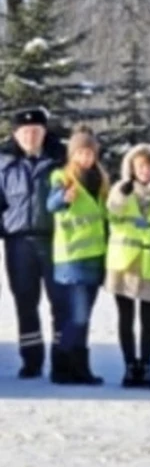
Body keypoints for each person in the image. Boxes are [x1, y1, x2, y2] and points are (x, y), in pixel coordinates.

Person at [0, 108, 68, 379]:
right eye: (25, 132)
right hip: (18, 243)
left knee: (60, 303)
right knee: (25, 303)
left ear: (44, 132)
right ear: (16, 134)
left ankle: (62, 360)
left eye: (36, 131)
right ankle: (31, 361)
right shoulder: (4, 164)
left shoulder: (60, 160)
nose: (30, 136)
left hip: (55, 240)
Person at [104, 143, 150, 389]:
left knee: (148, 320)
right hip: (123, 265)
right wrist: (121, 194)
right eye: (140, 167)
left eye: (149, 167)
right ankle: (128, 365)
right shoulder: (121, 191)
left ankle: (145, 365)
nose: (145, 171)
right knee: (125, 318)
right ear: (132, 169)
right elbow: (112, 213)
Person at [46, 124, 110, 385]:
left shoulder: (101, 182)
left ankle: (72, 368)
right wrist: (64, 197)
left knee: (81, 317)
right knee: (77, 316)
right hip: (71, 259)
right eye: (81, 153)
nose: (86, 158)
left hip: (95, 258)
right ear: (72, 154)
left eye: (90, 153)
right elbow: (51, 205)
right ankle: (67, 367)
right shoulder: (62, 177)